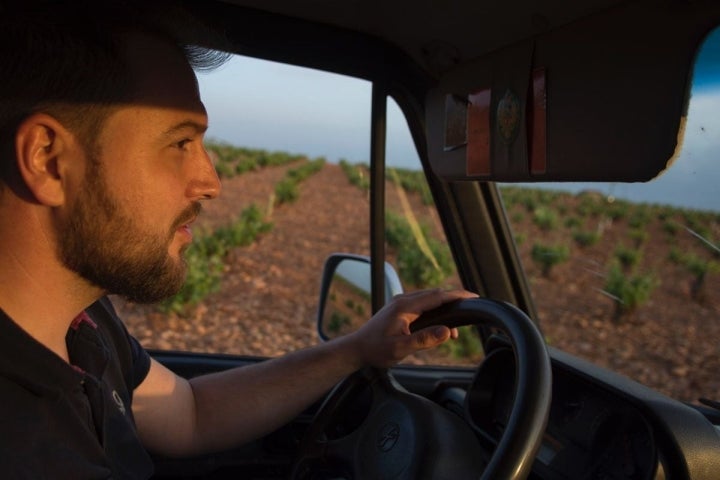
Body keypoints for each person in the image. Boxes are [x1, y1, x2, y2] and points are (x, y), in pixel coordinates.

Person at [0, 1, 477, 477]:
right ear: (47, 159)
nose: (211, 181)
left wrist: (355, 349)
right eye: (181, 143)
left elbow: (190, 413)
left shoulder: (81, 320)